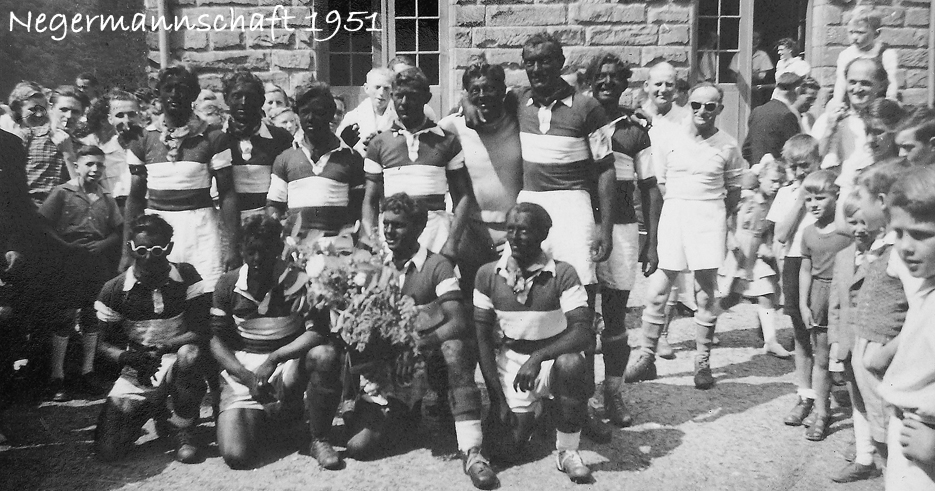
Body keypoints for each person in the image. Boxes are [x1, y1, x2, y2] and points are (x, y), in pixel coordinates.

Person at [343, 193, 495, 490]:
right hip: (391, 368)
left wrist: (417, 345)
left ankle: (472, 450)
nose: (389, 231)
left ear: (418, 227)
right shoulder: (375, 265)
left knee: (455, 349)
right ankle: (404, 413)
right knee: (358, 447)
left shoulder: (437, 265)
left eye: (398, 225)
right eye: (386, 223)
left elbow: (458, 322)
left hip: (429, 359)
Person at [625, 82, 745, 389]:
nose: (702, 111)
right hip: (675, 214)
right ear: (688, 104)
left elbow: (733, 191)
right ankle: (647, 356)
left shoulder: (728, 145)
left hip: (709, 217)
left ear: (720, 109)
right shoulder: (670, 138)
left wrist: (712, 213)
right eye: (696, 105)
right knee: (657, 291)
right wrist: (680, 206)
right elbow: (661, 182)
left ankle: (702, 361)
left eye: (710, 106)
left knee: (704, 293)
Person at [475, 203, 596, 484]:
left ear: (543, 234)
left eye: (524, 230)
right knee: (505, 451)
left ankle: (568, 450)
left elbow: (582, 332)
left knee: (572, 363)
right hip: (513, 363)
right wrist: (497, 400)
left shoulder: (563, 273)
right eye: (511, 230)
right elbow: (482, 338)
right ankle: (541, 412)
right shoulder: (488, 274)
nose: (515, 237)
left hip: (551, 359)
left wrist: (538, 357)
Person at [210, 215, 343, 470]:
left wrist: (275, 358)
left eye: (265, 251)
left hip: (285, 364)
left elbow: (317, 333)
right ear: (241, 249)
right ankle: (277, 418)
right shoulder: (228, 283)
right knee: (237, 456)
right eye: (251, 251)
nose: (257, 259)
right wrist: (247, 377)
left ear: (278, 249)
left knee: (324, 355)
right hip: (244, 369)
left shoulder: (297, 280)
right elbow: (215, 340)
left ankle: (319, 438)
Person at [94, 214, 210, 464]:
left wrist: (166, 346)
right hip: (139, 367)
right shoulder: (115, 289)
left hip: (176, 359)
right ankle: (156, 408)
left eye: (157, 250)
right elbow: (103, 345)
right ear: (131, 248)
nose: (148, 257)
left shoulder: (186, 275)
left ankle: (183, 426)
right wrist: (128, 358)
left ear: (169, 248)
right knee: (108, 450)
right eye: (141, 250)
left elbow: (201, 330)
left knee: (190, 354)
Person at [585, 53, 661, 425]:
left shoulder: (635, 131)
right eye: (600, 76)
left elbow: (650, 188)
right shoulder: (579, 120)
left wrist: (653, 242)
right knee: (580, 318)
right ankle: (580, 398)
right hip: (584, 226)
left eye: (615, 77)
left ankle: (613, 393)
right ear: (590, 81)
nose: (607, 82)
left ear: (624, 83)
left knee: (615, 320)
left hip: (622, 229)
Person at [830, 159, 913, 482]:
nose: (857, 213)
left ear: (881, 202)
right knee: (879, 427)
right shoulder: (880, 245)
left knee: (889, 432)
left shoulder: (901, 249)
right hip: (868, 351)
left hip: (884, 355)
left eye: (861, 199)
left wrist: (885, 352)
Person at [124, 66, 240, 292]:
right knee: (161, 293)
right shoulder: (142, 139)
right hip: (156, 233)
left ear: (194, 94)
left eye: (183, 89)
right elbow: (135, 199)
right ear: (158, 93)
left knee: (205, 293)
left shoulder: (214, 137)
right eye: (168, 88)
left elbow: (227, 194)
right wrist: (126, 251)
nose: (175, 95)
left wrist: (232, 248)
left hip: (200, 230)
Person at [38, 144, 123, 401]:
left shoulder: (106, 197)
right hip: (68, 261)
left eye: (100, 165)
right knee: (64, 315)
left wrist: (103, 245)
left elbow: (118, 230)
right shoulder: (62, 192)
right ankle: (57, 376)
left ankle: (87, 372)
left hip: (95, 263)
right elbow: (42, 224)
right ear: (77, 166)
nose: (95, 169)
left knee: (91, 314)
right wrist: (64, 245)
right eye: (89, 164)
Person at [361, 68, 475, 257]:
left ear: (426, 98)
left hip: (436, 238)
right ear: (392, 97)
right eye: (399, 96)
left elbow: (463, 196)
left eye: (412, 96)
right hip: (392, 240)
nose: (404, 103)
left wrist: (452, 242)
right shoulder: (379, 143)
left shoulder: (447, 141)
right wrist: (372, 241)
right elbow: (370, 200)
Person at [437, 62, 523, 299]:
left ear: (502, 90)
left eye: (490, 88)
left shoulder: (518, 122)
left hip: (514, 233)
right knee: (473, 302)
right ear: (467, 93)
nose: (483, 95)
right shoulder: (452, 126)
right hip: (471, 232)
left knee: (512, 300)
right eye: (475, 90)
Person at [876, 165, 935, 490]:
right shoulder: (927, 285)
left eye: (921, 234)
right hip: (909, 428)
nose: (905, 246)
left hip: (927, 437)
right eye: (898, 233)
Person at [266, 82, 365, 241]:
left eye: (318, 112)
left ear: (330, 114)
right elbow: (274, 206)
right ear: (298, 114)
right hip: (297, 249)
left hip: (338, 248)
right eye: (305, 112)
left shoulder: (351, 158)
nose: (310, 118)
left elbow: (359, 209)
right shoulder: (285, 159)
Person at [770, 135, 823, 426]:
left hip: (824, 263)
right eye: (795, 167)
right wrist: (801, 200)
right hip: (794, 262)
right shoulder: (787, 193)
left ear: (818, 160)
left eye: (806, 165)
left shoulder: (831, 189)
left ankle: (824, 398)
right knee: (801, 334)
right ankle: (805, 396)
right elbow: (780, 234)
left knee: (823, 333)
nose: (801, 172)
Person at [798, 170, 852, 441]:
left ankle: (862, 423)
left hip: (844, 293)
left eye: (820, 198)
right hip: (819, 294)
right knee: (820, 358)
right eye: (808, 199)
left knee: (848, 358)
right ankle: (821, 412)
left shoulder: (848, 231)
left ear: (836, 195)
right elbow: (805, 269)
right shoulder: (808, 233)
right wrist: (803, 303)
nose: (814, 204)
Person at [718, 162, 791, 358]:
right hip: (739, 249)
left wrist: (767, 244)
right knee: (732, 296)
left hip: (756, 251)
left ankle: (771, 341)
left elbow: (768, 229)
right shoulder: (746, 198)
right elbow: (726, 216)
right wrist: (729, 236)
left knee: (766, 292)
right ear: (761, 178)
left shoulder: (773, 203)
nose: (776, 186)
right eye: (773, 181)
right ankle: (708, 319)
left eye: (780, 182)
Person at [813, 57, 888, 225]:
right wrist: (829, 130)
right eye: (852, 82)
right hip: (834, 208)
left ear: (881, 85)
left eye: (865, 83)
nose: (857, 89)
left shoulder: (887, 122)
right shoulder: (828, 120)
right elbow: (811, 165)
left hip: (874, 204)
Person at [222, 69, 293, 221]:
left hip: (268, 222)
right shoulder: (217, 138)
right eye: (237, 96)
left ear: (261, 101)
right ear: (226, 99)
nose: (243, 102)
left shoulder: (280, 138)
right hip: (228, 221)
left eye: (250, 97)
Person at [4, 81, 77, 207]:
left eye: (42, 109)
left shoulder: (64, 139)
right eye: (32, 109)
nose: (39, 114)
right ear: (18, 108)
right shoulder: (17, 135)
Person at [80, 89, 144, 210]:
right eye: (120, 115)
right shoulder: (102, 155)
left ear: (140, 116)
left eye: (132, 114)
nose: (126, 121)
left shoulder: (151, 147)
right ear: (110, 119)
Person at [831, 5, 900, 104]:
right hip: (853, 101)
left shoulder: (886, 53)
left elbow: (891, 81)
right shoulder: (846, 54)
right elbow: (841, 82)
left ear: (876, 34)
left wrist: (890, 100)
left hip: (878, 102)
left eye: (860, 32)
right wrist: (837, 103)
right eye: (851, 32)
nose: (854, 37)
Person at [743, 72, 804, 168]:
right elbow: (794, 152)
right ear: (797, 90)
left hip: (756, 171)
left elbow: (746, 149)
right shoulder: (788, 115)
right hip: (777, 172)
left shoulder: (757, 111)